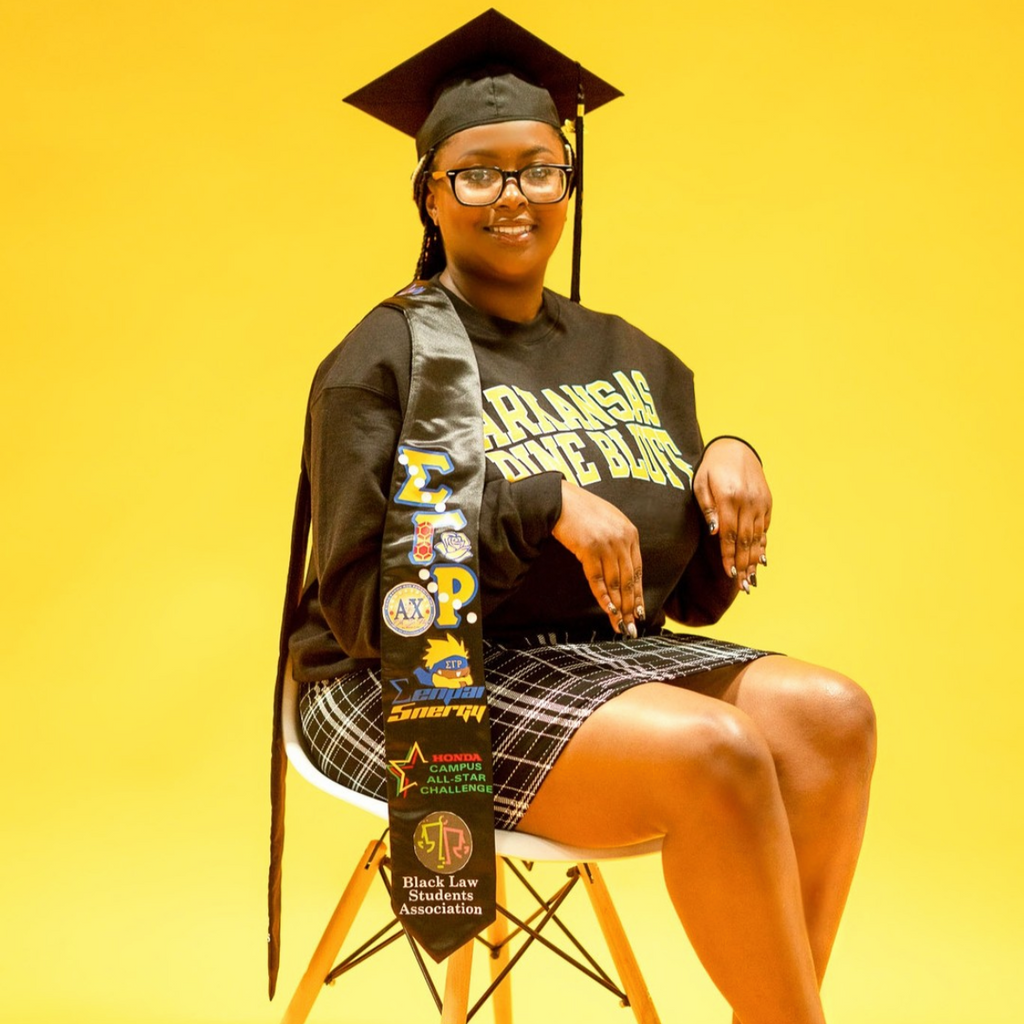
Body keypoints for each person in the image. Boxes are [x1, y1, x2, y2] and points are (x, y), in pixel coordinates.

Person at [269, 12, 876, 1024]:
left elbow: (672, 601)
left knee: (831, 716)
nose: (513, 197)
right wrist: (540, 506)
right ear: (430, 192)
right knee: (712, 751)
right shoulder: (387, 359)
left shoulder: (631, 355)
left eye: (538, 169)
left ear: (568, 182)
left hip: (585, 659)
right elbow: (370, 608)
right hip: (405, 675)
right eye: (479, 172)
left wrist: (728, 467)